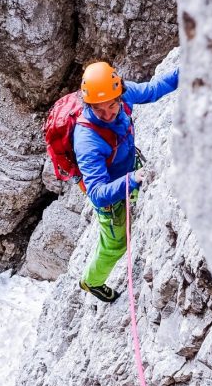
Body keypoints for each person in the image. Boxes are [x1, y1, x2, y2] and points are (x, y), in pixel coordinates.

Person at [75, 61, 179, 302]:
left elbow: (153, 90)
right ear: (89, 105)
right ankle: (92, 281)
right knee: (115, 246)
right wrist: (131, 180)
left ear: (119, 94)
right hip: (111, 201)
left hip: (129, 170)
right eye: (99, 111)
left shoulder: (121, 94)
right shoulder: (87, 140)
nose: (109, 115)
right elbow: (97, 193)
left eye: (112, 106)